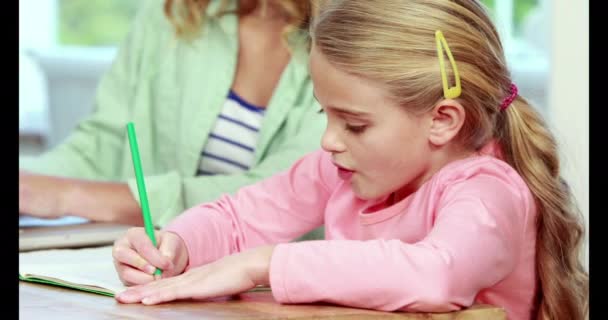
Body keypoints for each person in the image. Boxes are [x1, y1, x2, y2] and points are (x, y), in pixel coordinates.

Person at [111, 0, 588, 319]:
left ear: (442, 119)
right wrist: (179, 245)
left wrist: (266, 264)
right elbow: (237, 218)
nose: (329, 141)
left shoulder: (487, 190)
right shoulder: (341, 169)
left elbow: (438, 274)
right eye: (326, 114)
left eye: (354, 124)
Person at [19, 0, 326, 228]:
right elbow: (102, 146)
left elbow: (287, 194)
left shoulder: (354, 36)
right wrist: (28, 183)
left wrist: (70, 197)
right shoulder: (172, 11)